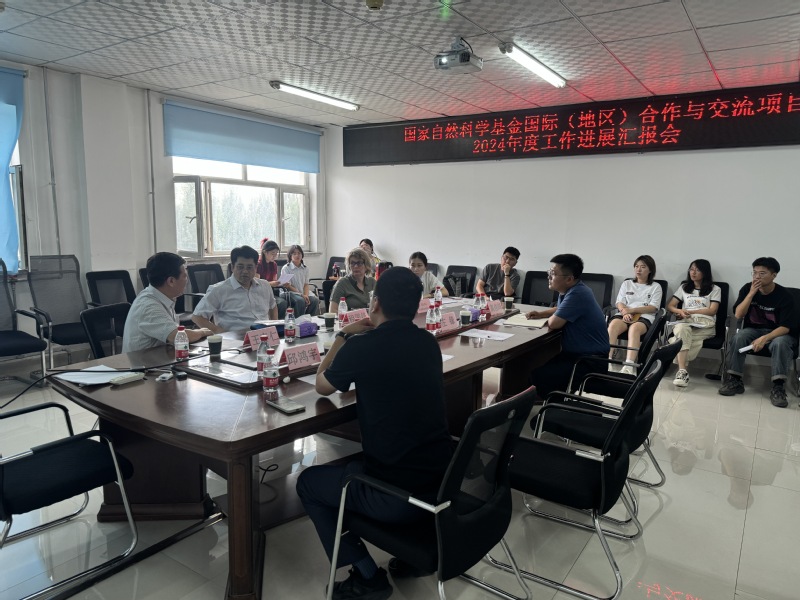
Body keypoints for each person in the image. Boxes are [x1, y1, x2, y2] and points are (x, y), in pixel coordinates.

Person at [297, 267, 452, 600]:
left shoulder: (363, 346)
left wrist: (343, 336)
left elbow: (322, 385)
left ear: (375, 303)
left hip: (395, 496)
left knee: (308, 483)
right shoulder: (428, 342)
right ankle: (411, 558)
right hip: (442, 482)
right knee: (354, 464)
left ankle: (368, 577)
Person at [525, 254, 609, 400]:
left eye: (553, 273)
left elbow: (554, 323)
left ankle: (554, 407)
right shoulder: (573, 289)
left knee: (537, 374)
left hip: (589, 362)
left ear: (569, 279)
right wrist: (541, 314)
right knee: (534, 366)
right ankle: (548, 401)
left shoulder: (578, 294)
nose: (548, 276)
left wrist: (549, 317)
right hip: (582, 356)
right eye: (549, 272)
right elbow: (561, 308)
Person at [718, 257, 798, 407]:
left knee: (780, 343)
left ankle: (778, 387)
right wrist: (751, 294)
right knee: (739, 337)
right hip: (754, 330)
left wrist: (765, 338)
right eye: (754, 273)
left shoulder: (786, 296)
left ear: (774, 275)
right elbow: (738, 315)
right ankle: (735, 380)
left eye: (762, 273)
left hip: (781, 333)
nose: (757, 277)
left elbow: (786, 327)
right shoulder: (747, 288)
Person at [122, 252, 211, 352]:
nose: (187, 281)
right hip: (144, 361)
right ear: (171, 281)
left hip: (160, 356)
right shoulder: (148, 305)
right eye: (185, 276)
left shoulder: (162, 297)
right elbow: (178, 336)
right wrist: (203, 332)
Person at [191, 245, 278, 332]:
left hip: (264, 336)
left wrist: (274, 328)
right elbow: (197, 317)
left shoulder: (265, 286)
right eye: (240, 267)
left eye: (249, 267)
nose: (245, 271)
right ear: (232, 267)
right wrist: (219, 332)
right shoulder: (219, 290)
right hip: (236, 337)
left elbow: (273, 306)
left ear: (256, 268)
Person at [667, 259, 721, 387]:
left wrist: (690, 311)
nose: (693, 272)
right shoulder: (684, 287)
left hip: (705, 324)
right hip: (686, 322)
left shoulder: (715, 289)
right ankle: (682, 371)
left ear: (705, 272)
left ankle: (679, 362)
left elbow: (712, 310)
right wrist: (680, 311)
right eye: (691, 269)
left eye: (697, 270)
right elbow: (670, 306)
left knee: (678, 339)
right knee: (682, 329)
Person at [607, 255, 662, 375]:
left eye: (643, 267)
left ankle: (629, 365)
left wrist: (632, 311)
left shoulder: (656, 287)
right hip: (624, 314)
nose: (638, 269)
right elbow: (619, 302)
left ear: (650, 270)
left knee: (634, 328)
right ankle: (607, 360)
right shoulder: (627, 283)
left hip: (644, 316)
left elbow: (653, 307)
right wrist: (624, 312)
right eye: (636, 266)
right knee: (613, 325)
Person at [328, 248, 377, 312]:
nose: (356, 266)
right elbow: (333, 310)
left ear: (366, 265)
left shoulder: (372, 282)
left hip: (370, 317)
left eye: (359, 263)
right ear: (349, 266)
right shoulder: (342, 283)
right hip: (349, 318)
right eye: (352, 263)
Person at [281, 244, 320, 316]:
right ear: (290, 256)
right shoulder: (286, 268)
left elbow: (306, 284)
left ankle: (308, 319)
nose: (297, 255)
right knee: (300, 300)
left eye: (299, 253)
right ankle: (298, 320)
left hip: (302, 292)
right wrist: (302, 295)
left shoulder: (305, 268)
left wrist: (306, 295)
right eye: (294, 253)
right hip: (290, 292)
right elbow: (288, 286)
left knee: (314, 300)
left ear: (302, 255)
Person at [255, 238, 290, 317]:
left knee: (283, 303)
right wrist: (271, 283)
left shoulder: (273, 264)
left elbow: (274, 281)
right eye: (272, 253)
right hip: (260, 294)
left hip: (270, 293)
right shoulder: (258, 264)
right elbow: (257, 283)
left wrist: (282, 283)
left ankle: (279, 322)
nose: (275, 256)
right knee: (280, 303)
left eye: (276, 253)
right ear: (265, 252)